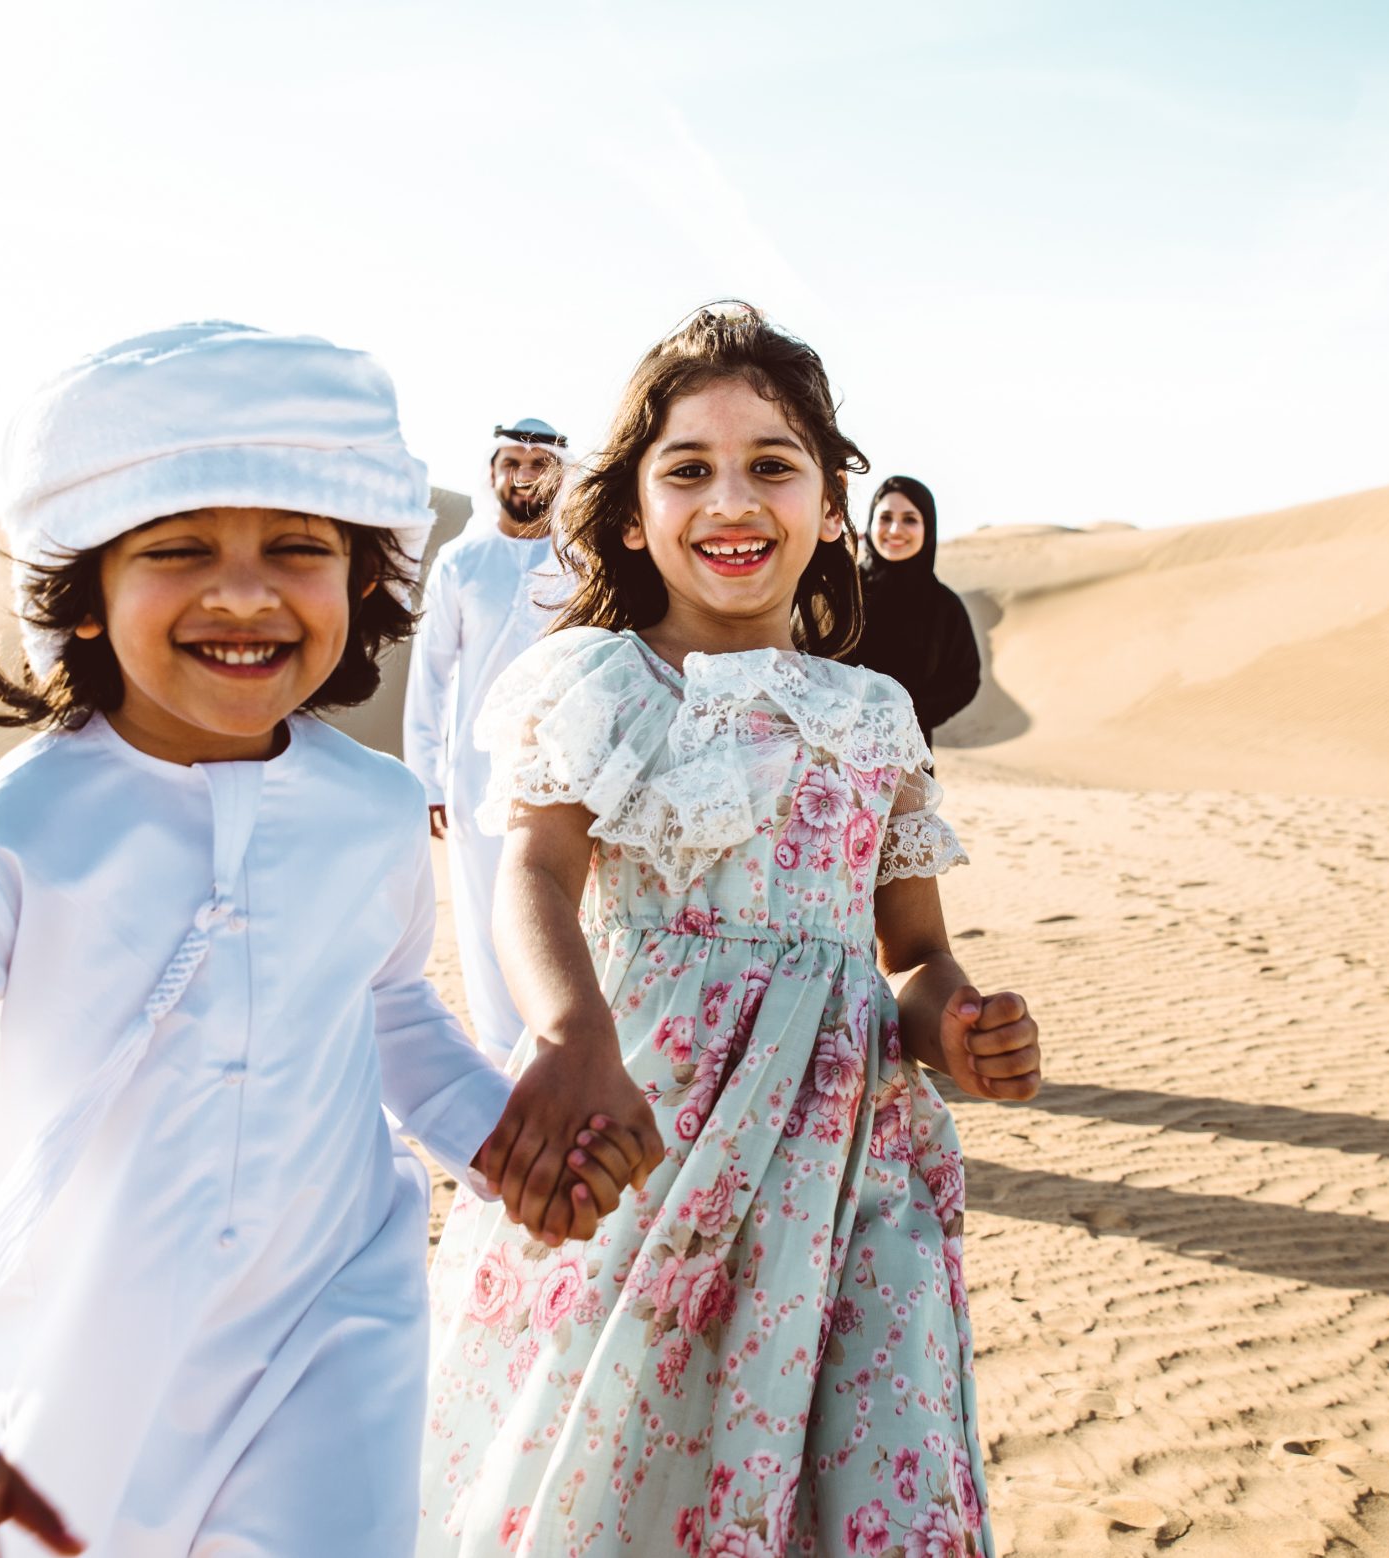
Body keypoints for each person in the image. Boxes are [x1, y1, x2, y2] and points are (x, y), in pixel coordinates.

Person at [0, 324, 652, 1558]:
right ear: (83, 587)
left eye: (298, 546)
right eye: (178, 549)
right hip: (89, 1344)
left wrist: (505, 1147)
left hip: (334, 1328)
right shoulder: (22, 827)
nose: (243, 591)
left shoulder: (378, 808)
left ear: (364, 579)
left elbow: (385, 1011)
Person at [419, 305, 1043, 1557]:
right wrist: (569, 1030)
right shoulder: (594, 679)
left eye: (773, 464)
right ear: (634, 510)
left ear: (828, 505)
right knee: (624, 1456)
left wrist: (957, 1027)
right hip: (645, 1132)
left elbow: (911, 952)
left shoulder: (873, 714)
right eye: (687, 468)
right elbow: (534, 872)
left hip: (850, 1172)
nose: (731, 499)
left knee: (869, 1476)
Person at [403, 416, 571, 1062]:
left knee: (562, 919)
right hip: (474, 782)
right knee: (484, 923)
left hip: (564, 776)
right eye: (513, 463)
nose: (525, 476)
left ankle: (558, 1057)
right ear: (493, 472)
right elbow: (430, 681)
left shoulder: (581, 562)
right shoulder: (461, 563)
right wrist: (427, 780)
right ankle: (506, 1070)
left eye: (538, 464)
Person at [850, 474, 982, 735]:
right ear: (871, 523)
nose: (895, 530)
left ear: (928, 527)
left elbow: (965, 680)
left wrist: (906, 717)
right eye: (886, 518)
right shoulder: (841, 592)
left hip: (908, 757)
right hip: (829, 755)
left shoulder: (944, 606)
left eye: (909, 519)